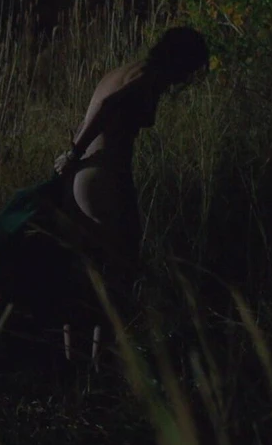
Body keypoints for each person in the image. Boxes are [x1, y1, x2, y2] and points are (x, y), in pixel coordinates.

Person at [52, 26, 210, 289]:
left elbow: (91, 116)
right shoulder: (147, 76)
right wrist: (73, 153)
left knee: (92, 268)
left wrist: (74, 159)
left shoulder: (123, 71)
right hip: (104, 175)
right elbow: (106, 106)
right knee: (119, 267)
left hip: (85, 174)